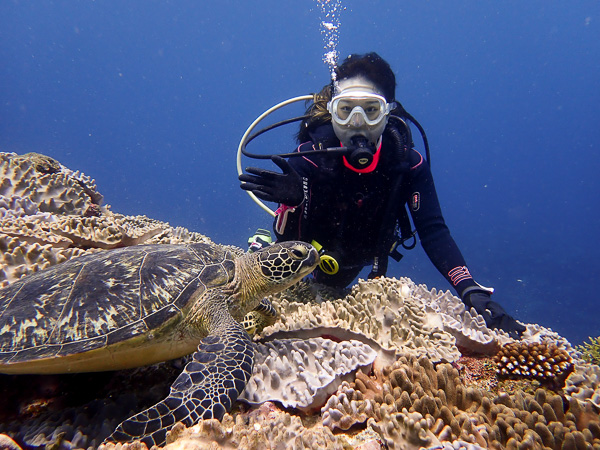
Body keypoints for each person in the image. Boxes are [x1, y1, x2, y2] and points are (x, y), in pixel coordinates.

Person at [239, 52, 525, 339]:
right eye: (345, 109)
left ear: (388, 112)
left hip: (356, 259)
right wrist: (294, 199)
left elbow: (433, 231)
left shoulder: (407, 165)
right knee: (288, 280)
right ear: (332, 111)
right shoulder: (309, 158)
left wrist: (470, 289)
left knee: (333, 288)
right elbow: (289, 243)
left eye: (371, 110)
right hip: (311, 250)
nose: (357, 122)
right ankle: (259, 244)